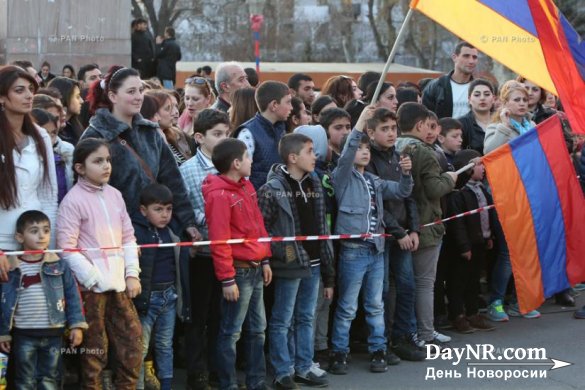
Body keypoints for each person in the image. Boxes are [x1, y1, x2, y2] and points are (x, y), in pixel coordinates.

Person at [329, 106, 413, 375]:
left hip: (376, 250)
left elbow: (400, 191)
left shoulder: (374, 180)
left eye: (367, 149)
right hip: (354, 251)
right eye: (359, 148)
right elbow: (346, 156)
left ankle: (379, 348)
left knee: (375, 304)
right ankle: (339, 352)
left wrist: (406, 173)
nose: (364, 152)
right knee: (348, 306)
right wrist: (360, 124)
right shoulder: (341, 178)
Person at [57, 138, 143, 389]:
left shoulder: (115, 195)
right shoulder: (72, 201)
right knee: (95, 352)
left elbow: (128, 237)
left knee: (132, 343)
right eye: (98, 161)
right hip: (91, 290)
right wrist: (93, 278)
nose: (106, 166)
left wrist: (131, 274)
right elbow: (67, 249)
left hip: (119, 285)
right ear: (80, 168)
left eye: (108, 160)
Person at [83, 66, 199, 243]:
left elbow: (173, 179)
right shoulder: (95, 136)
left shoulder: (150, 132)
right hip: (115, 235)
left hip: (158, 231)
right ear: (113, 96)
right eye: (131, 91)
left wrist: (187, 221)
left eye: (140, 90)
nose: (138, 97)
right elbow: (88, 193)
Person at [258, 133, 335, 389]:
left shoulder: (314, 183)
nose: (316, 156)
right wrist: (288, 254)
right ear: (293, 158)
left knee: (305, 316)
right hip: (290, 264)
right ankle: (283, 370)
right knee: (282, 319)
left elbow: (322, 227)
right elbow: (264, 230)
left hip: (313, 263)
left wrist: (327, 268)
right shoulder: (272, 189)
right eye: (310, 151)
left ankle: (304, 366)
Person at [202, 138, 272, 390]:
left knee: (258, 330)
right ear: (236, 163)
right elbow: (219, 240)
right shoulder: (219, 195)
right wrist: (227, 279)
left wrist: (264, 258)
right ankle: (227, 384)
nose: (251, 161)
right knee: (231, 332)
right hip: (239, 273)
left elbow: (258, 226)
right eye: (248, 157)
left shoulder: (247, 186)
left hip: (254, 268)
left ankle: (256, 382)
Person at [364, 108, 425, 362]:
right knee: (383, 291)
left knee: (407, 285)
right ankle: (385, 339)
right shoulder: (369, 160)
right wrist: (398, 232)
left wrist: (413, 229)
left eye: (393, 129)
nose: (391, 134)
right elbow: (377, 202)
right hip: (383, 234)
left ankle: (405, 334)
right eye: (384, 129)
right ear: (371, 132)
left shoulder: (400, 156)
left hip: (403, 232)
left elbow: (408, 196)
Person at [0, 210, 87, 388]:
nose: (41, 236)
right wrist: (3, 334)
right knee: (24, 379)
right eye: (34, 231)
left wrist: (77, 325)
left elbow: (72, 296)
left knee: (50, 378)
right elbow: (3, 302)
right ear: (19, 237)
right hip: (23, 334)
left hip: (54, 333)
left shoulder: (59, 264)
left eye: (46, 230)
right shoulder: (11, 267)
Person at [395, 103, 458, 348]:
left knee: (399, 284)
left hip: (401, 225)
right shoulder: (423, 150)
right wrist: (449, 179)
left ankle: (403, 331)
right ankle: (425, 332)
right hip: (425, 223)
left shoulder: (396, 145)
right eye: (429, 125)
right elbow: (434, 188)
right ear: (420, 125)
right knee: (424, 282)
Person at [180, 109, 230, 389]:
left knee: (221, 315)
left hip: (228, 253)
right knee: (198, 314)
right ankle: (196, 371)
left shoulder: (232, 166)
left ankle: (216, 368)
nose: (224, 139)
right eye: (217, 134)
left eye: (227, 134)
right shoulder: (188, 170)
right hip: (202, 254)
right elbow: (187, 208)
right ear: (199, 137)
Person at [483, 81, 542, 320]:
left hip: (530, 194)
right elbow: (490, 152)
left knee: (528, 251)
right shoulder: (496, 127)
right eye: (516, 100)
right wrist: (506, 127)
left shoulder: (533, 125)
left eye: (524, 100)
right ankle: (495, 301)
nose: (521, 104)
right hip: (506, 195)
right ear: (505, 103)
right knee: (509, 252)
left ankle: (521, 300)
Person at [0, 65, 57, 278]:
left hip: (35, 242)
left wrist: (49, 246)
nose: (29, 95)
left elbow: (49, 195)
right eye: (19, 90)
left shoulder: (41, 136)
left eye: (30, 89)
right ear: (2, 97)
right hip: (3, 242)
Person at [132, 184, 191, 390]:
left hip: (170, 296)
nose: (165, 214)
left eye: (168, 209)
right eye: (158, 209)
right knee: (141, 347)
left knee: (165, 345)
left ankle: (166, 385)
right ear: (143, 210)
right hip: (146, 299)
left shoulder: (173, 231)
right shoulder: (136, 233)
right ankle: (137, 386)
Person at [444, 150, 496, 333]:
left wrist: (489, 236)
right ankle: (457, 315)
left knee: (474, 280)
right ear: (467, 169)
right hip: (464, 247)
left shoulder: (481, 188)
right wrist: (464, 246)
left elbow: (487, 214)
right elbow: (458, 224)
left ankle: (473, 313)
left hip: (480, 242)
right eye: (479, 164)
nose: (483, 168)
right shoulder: (458, 194)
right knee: (458, 281)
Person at [235, 80, 292, 190]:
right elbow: (241, 176)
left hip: (279, 198)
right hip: (258, 200)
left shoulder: (281, 128)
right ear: (274, 105)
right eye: (288, 102)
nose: (291, 107)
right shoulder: (248, 132)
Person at [422, 41, 478, 118]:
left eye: (474, 57)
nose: (471, 61)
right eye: (466, 56)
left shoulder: (480, 87)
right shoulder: (437, 86)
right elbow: (425, 117)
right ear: (454, 57)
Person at [31, 108, 74, 203]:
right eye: (44, 133)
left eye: (53, 133)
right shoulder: (29, 161)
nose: (49, 139)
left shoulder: (61, 158)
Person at [147, 89, 195, 164]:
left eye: (176, 106)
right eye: (168, 108)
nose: (175, 112)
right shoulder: (147, 141)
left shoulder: (176, 134)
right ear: (154, 112)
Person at [458, 79, 495, 154]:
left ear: (493, 98)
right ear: (469, 99)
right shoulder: (461, 124)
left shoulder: (502, 121)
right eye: (477, 95)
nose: (482, 98)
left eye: (487, 94)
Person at [48, 77, 84, 145]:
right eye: (77, 96)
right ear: (65, 97)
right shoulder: (51, 131)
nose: (82, 101)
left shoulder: (74, 127)